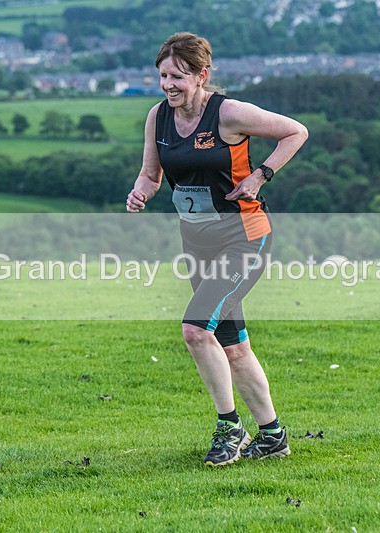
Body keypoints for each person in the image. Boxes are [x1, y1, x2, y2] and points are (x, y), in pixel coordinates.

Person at [126, 32, 308, 467]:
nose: (168, 85)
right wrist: (140, 192)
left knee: (195, 329)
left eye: (178, 76)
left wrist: (261, 174)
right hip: (197, 242)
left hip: (243, 236)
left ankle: (230, 427)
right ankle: (273, 436)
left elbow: (295, 132)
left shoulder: (228, 113)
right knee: (233, 345)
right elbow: (151, 174)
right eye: (163, 76)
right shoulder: (159, 117)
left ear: (202, 75)